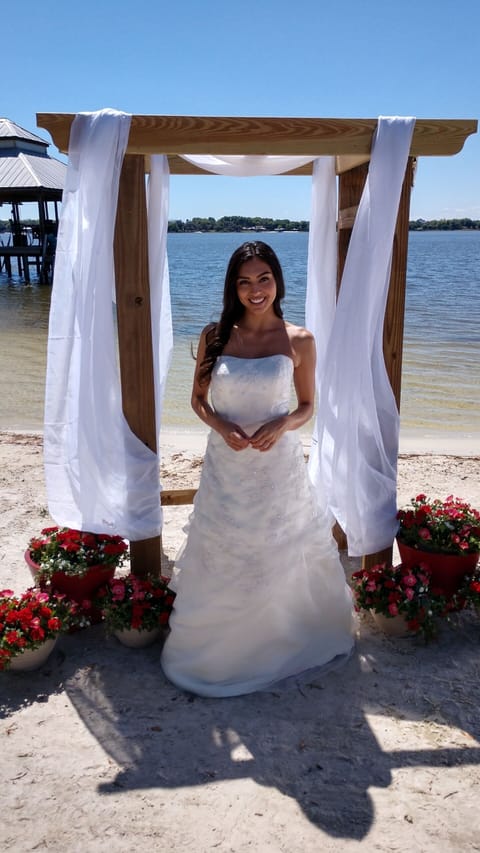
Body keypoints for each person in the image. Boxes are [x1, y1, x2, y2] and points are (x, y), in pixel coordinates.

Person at [161, 241, 354, 697]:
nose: (255, 290)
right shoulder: (215, 335)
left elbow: (307, 406)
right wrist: (220, 425)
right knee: (225, 551)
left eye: (263, 278)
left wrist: (284, 423)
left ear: (277, 281)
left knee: (278, 548)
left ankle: (279, 639)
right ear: (233, 287)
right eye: (244, 281)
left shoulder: (299, 339)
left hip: (276, 468)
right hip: (225, 466)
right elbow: (197, 401)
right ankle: (221, 648)